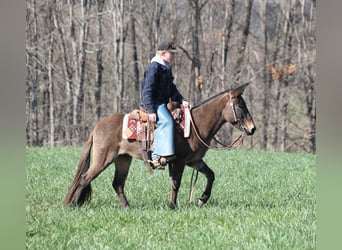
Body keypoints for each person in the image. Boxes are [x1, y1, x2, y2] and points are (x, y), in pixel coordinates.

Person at [141, 40, 190, 168]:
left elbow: (171, 89)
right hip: (155, 103)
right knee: (167, 121)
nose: (174, 56)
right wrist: (151, 110)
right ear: (163, 53)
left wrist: (182, 100)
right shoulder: (154, 67)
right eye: (171, 53)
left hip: (162, 103)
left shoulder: (166, 68)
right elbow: (147, 90)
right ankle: (157, 156)